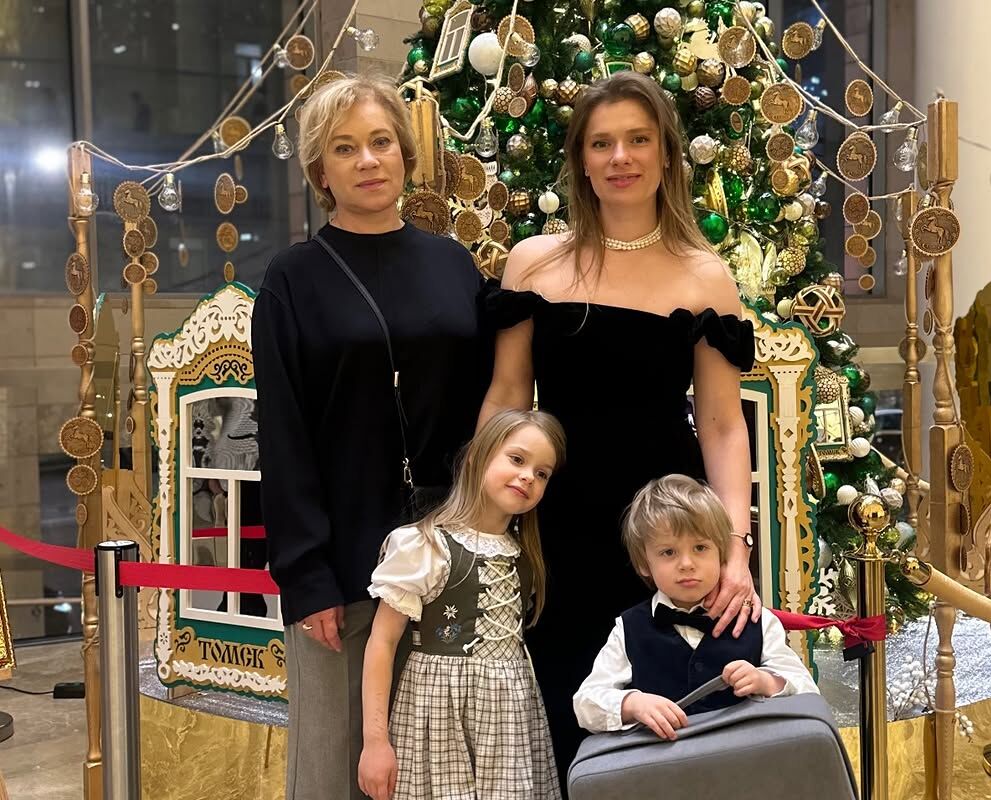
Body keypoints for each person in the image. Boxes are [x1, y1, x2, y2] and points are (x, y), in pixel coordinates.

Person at [479, 70, 758, 771]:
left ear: (666, 152)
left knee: (670, 718)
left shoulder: (705, 275)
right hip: (556, 526)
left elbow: (723, 426)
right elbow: (507, 398)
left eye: (638, 139)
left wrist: (735, 550)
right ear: (580, 160)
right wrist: (479, 522)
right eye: (601, 143)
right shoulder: (533, 263)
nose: (620, 157)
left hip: (667, 530)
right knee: (565, 705)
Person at [252, 74, 491, 800]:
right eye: (344, 148)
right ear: (320, 171)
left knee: (445, 767)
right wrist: (306, 575)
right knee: (335, 768)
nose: (367, 160)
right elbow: (284, 435)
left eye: (381, 141)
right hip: (344, 565)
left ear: (405, 153)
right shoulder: (292, 280)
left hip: (451, 556)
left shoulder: (452, 265)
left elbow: (489, 406)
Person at [358, 409, 566, 800]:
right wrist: (375, 742)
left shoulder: (524, 557)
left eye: (542, 473)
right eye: (517, 459)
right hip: (437, 717)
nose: (528, 476)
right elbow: (382, 643)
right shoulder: (424, 545)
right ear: (477, 457)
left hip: (509, 724)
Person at [574, 475, 818, 738]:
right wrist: (632, 704)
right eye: (668, 552)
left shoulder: (759, 621)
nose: (687, 564)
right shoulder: (628, 628)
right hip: (665, 762)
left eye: (700, 547)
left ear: (722, 552)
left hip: (748, 758)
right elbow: (586, 704)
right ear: (644, 563)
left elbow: (807, 690)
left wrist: (767, 681)